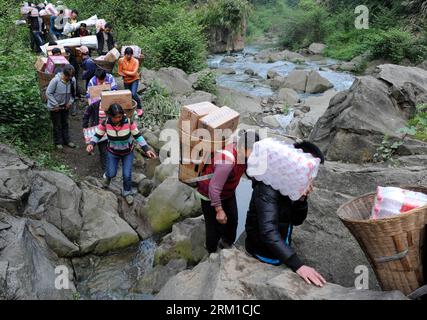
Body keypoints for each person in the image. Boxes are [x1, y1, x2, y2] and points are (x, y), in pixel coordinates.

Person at [245, 141, 327, 287]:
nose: (310, 177)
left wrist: (302, 199)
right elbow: (268, 232)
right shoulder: (266, 188)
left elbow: (296, 220)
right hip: (263, 251)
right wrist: (298, 265)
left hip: (281, 243)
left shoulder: (289, 182)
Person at [196, 130, 260, 254]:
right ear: (242, 147)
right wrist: (219, 210)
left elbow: (247, 169)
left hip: (227, 192)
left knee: (232, 220)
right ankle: (211, 252)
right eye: (252, 152)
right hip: (209, 194)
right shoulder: (227, 161)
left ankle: (227, 244)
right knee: (213, 227)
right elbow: (213, 189)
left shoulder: (244, 152)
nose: (254, 156)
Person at [86, 104, 157, 205]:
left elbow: (137, 135)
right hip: (112, 152)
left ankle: (127, 192)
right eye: (116, 117)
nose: (118, 119)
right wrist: (91, 144)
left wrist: (146, 149)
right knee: (111, 173)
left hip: (127, 153)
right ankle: (108, 178)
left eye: (120, 116)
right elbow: (98, 134)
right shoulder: (106, 123)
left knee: (127, 175)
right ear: (110, 116)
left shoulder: (128, 122)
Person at [46, 64, 77, 150]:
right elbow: (48, 93)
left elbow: (73, 93)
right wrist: (55, 104)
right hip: (55, 106)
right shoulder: (55, 80)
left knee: (65, 123)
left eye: (71, 76)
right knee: (57, 124)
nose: (69, 78)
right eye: (68, 77)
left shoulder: (72, 80)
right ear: (64, 74)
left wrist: (70, 102)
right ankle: (58, 142)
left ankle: (67, 140)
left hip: (65, 106)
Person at [118, 47, 143, 117]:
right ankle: (129, 108)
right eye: (127, 55)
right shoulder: (121, 60)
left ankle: (139, 108)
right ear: (124, 54)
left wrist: (124, 72)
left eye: (130, 55)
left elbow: (134, 73)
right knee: (128, 95)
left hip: (134, 79)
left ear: (132, 55)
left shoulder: (135, 61)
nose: (128, 56)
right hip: (126, 81)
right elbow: (119, 72)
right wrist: (128, 73)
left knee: (133, 94)